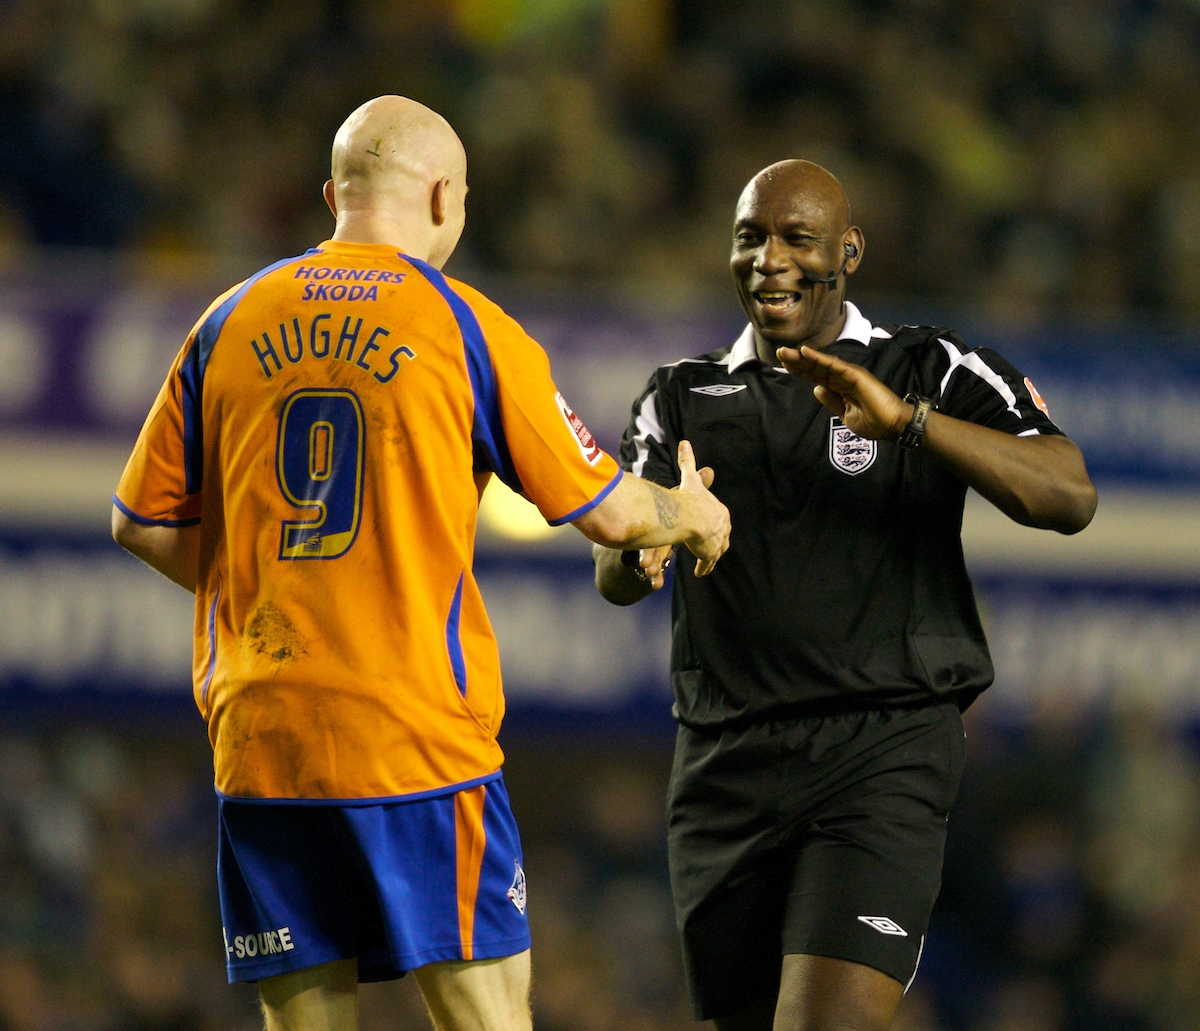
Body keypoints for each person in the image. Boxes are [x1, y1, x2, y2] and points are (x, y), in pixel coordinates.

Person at [111, 95, 730, 1031]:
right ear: (445, 197)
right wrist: (686, 514)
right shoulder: (463, 325)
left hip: (262, 735)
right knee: (485, 1017)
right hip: (414, 739)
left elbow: (144, 523)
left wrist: (276, 594)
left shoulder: (227, 320)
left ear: (333, 194)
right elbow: (606, 510)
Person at [593, 159, 1097, 1031]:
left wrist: (910, 424)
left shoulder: (928, 364)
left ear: (848, 250)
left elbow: (1070, 494)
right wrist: (659, 531)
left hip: (881, 753)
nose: (769, 259)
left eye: (797, 238)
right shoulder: (679, 395)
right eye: (750, 238)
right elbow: (614, 568)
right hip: (725, 767)